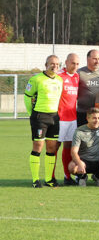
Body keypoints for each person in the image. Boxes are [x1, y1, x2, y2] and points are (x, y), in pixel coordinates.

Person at [25, 54, 64, 187]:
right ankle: (36, 180)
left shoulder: (59, 80)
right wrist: (32, 114)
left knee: (52, 148)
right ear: (46, 64)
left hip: (54, 117)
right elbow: (27, 97)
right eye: (52, 63)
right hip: (40, 117)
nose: (55, 66)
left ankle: (49, 180)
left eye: (57, 64)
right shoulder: (36, 79)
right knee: (38, 147)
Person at [68, 107, 99, 186]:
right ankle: (82, 176)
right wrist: (79, 163)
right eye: (94, 118)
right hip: (84, 161)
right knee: (72, 167)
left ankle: (98, 175)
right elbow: (73, 152)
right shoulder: (79, 131)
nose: (97, 121)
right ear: (87, 118)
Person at [56, 52, 81, 184]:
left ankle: (67, 176)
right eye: (73, 63)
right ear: (66, 62)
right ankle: (51, 176)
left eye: (77, 64)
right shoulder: (59, 76)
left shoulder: (77, 76)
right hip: (59, 118)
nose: (75, 66)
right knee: (54, 147)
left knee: (69, 147)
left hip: (72, 119)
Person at [76, 49, 99, 125]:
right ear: (87, 59)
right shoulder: (79, 73)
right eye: (94, 59)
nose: (97, 61)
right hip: (83, 113)